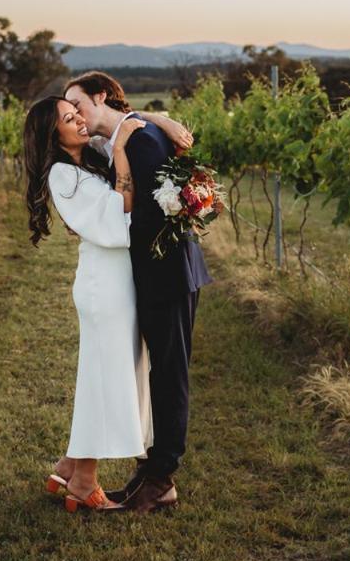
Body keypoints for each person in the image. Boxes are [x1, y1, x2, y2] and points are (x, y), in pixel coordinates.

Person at [63, 71, 212, 513]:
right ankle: (148, 469)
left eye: (79, 106)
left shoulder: (142, 141)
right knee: (154, 374)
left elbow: (141, 217)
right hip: (149, 276)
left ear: (101, 95)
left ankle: (162, 478)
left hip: (169, 275)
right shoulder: (111, 143)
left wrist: (149, 123)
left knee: (168, 375)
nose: (78, 117)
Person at [23, 95, 150, 511]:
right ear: (51, 133)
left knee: (106, 375)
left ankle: (70, 466)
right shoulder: (62, 174)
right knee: (102, 380)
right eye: (67, 117)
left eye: (76, 111)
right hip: (104, 287)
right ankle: (84, 482)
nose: (78, 118)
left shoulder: (84, 161)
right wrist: (118, 149)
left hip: (117, 281)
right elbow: (120, 211)